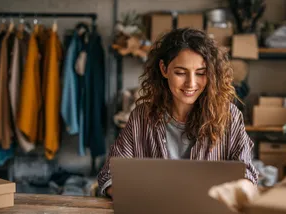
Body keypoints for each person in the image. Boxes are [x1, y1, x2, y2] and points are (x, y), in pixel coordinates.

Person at [98, 28, 258, 197]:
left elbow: (247, 174)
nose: (191, 83)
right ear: (164, 69)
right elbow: (109, 175)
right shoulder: (142, 116)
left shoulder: (229, 116)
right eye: (180, 73)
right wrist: (138, 198)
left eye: (201, 73)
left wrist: (237, 191)